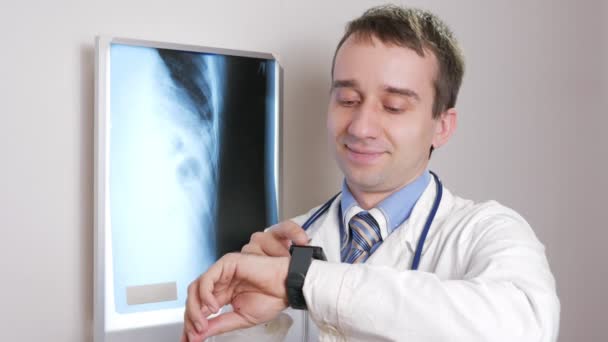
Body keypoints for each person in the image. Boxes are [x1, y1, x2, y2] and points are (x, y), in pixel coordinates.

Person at [181, 4, 560, 342]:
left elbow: (525, 327)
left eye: (394, 106)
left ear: (442, 126)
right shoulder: (284, 244)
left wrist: (304, 282)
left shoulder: (486, 231)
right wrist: (257, 327)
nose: (361, 127)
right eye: (347, 100)